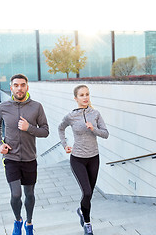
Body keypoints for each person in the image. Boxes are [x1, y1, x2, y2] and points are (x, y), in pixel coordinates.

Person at [0, 74, 49, 235]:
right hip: (11, 158)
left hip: (30, 158)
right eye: (16, 85)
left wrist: (29, 128)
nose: (19, 88)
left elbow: (45, 131)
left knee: (29, 194)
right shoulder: (3, 107)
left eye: (22, 85)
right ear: (11, 88)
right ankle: (18, 220)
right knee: (16, 194)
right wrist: (0, 143)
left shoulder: (37, 107)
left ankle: (29, 224)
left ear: (27, 87)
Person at [58, 84, 109, 235]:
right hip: (78, 159)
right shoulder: (71, 116)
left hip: (94, 158)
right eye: (81, 95)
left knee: (89, 194)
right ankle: (87, 223)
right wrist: (65, 144)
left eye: (87, 94)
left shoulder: (96, 114)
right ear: (76, 98)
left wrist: (93, 129)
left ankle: (81, 210)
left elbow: (106, 134)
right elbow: (60, 128)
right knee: (86, 192)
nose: (85, 97)